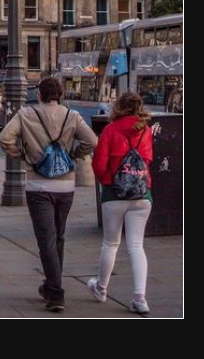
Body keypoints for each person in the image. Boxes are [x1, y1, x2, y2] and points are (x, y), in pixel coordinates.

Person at [0, 77, 97, 313]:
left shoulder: (26, 114)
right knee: (58, 236)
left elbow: (4, 139)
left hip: (38, 186)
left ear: (40, 95)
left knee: (46, 240)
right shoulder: (71, 115)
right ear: (60, 95)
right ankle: (52, 284)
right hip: (66, 186)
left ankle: (55, 293)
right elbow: (92, 140)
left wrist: (23, 155)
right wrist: (74, 154)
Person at [89, 91, 154, 314]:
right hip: (141, 194)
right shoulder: (145, 130)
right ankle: (140, 298)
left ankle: (101, 288)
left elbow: (99, 163)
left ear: (119, 107)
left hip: (114, 195)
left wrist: (108, 182)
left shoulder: (110, 130)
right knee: (136, 246)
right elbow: (147, 161)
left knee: (110, 244)